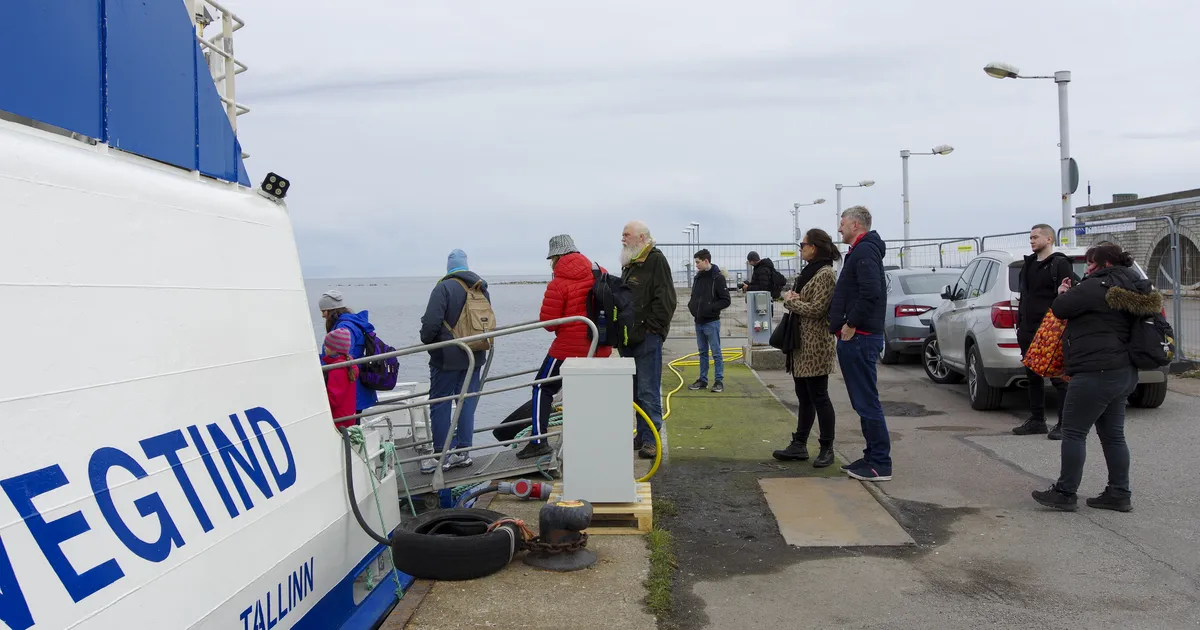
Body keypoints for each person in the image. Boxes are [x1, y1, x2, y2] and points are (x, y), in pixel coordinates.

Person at [1032, 243, 1158, 513]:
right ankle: (1119, 493)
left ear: (1106, 264)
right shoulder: (1135, 286)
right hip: (1124, 371)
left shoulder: (1095, 286)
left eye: (1091, 263)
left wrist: (1063, 291)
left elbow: (1061, 308)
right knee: (1114, 436)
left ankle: (1065, 493)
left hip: (1095, 371)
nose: (1087, 268)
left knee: (1074, 432)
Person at [520, 235, 614, 460]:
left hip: (567, 349)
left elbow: (549, 323)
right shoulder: (600, 271)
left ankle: (538, 441)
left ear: (556, 257)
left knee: (542, 387)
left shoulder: (559, 281)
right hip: (599, 346)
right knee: (587, 394)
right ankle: (592, 441)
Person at [829, 206, 891, 482]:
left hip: (861, 338)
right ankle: (871, 456)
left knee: (867, 402)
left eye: (842, 223)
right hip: (857, 337)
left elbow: (870, 292)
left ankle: (880, 463)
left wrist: (851, 324)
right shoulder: (860, 251)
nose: (839, 228)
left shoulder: (865, 251)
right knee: (862, 401)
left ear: (855, 224)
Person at [418, 249, 490, 474]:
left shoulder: (444, 288)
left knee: (440, 403)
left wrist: (427, 340)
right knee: (466, 401)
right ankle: (463, 452)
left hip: (447, 357)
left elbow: (431, 324)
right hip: (475, 354)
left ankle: (441, 456)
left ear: (449, 267)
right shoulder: (480, 287)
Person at [773, 229, 840, 468]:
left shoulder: (825, 274)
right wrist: (794, 299)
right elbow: (805, 303)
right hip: (801, 344)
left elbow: (818, 309)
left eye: (803, 245)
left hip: (816, 345)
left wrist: (791, 301)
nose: (800, 248)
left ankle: (826, 447)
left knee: (819, 396)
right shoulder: (809, 271)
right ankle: (799, 444)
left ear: (815, 247)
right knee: (804, 396)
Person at [1014, 224, 1077, 439]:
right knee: (1032, 375)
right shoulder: (1029, 264)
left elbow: (1070, 295)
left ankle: (1064, 423)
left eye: (1035, 237)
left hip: (1051, 329)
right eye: (1030, 237)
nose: (1031, 240)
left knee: (1059, 377)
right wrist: (1020, 323)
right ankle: (1037, 420)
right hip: (1027, 328)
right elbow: (1025, 296)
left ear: (1049, 239)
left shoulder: (1060, 264)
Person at [620, 221, 677, 459]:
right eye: (622, 235)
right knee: (634, 392)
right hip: (629, 339)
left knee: (648, 390)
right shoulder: (632, 262)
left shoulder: (655, 260)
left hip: (646, 338)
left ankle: (651, 439)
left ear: (642, 238)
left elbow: (666, 299)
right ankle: (642, 435)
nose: (623, 239)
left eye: (627, 235)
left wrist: (652, 330)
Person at [319, 290, 379, 415]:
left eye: (324, 311)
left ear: (331, 311)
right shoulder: (351, 323)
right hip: (354, 385)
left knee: (349, 424)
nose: (323, 316)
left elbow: (341, 356)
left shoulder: (344, 327)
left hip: (349, 387)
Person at [687, 249, 731, 393]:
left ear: (706, 261)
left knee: (716, 352)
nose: (696, 265)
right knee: (702, 352)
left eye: (698, 262)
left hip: (711, 322)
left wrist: (710, 308)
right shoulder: (698, 277)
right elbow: (694, 295)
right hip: (698, 321)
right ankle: (703, 380)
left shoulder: (717, 278)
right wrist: (692, 306)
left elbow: (725, 300)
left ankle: (719, 381)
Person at [321, 328, 359, 430]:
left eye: (327, 345)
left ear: (335, 349)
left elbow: (333, 399)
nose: (324, 347)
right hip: (348, 416)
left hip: (339, 420)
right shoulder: (349, 364)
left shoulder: (337, 369)